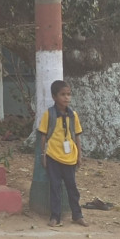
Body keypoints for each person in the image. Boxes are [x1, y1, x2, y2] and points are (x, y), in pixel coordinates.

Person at [39, 80, 87, 228]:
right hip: (53, 157)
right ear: (54, 97)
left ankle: (77, 215)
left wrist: (79, 155)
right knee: (55, 187)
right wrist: (43, 155)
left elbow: (77, 136)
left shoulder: (73, 115)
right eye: (63, 94)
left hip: (70, 158)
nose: (66, 97)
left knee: (72, 188)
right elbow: (43, 136)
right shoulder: (49, 114)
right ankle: (55, 216)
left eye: (68, 94)